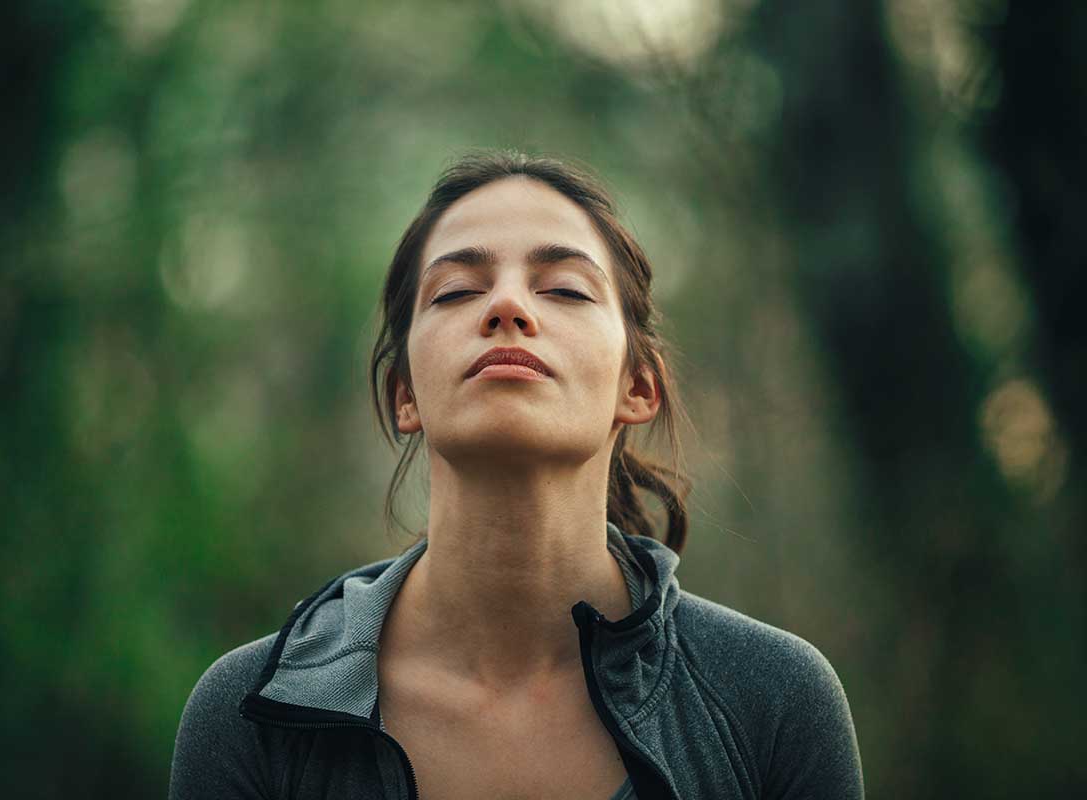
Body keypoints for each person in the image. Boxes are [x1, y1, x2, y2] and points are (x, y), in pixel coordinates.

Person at [169, 151, 864, 799]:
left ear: (639, 386)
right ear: (404, 395)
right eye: (456, 291)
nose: (508, 307)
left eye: (564, 288)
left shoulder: (774, 702)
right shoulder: (250, 714)